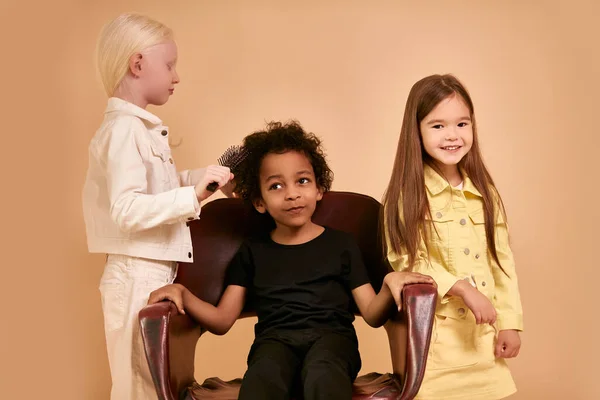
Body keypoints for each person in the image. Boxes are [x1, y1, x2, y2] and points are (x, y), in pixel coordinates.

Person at [149, 121, 433, 399]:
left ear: (319, 188)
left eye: (302, 181)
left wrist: (389, 280)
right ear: (259, 201)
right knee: (261, 383)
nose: (292, 194)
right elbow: (222, 320)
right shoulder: (253, 252)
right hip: (274, 344)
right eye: (275, 186)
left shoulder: (341, 245)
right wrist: (183, 294)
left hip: (333, 342)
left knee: (322, 376)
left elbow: (372, 313)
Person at [82, 13, 233, 400]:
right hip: (135, 276)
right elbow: (127, 209)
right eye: (169, 65)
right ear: (137, 64)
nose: (176, 76)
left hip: (152, 273)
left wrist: (200, 180)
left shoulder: (140, 128)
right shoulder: (123, 130)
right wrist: (193, 196)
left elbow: (156, 188)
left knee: (156, 385)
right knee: (139, 388)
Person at [382, 74, 524, 399]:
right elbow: (406, 261)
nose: (452, 136)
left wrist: (510, 323)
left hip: (483, 341)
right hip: (436, 346)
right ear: (416, 130)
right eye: (438, 126)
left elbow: (501, 260)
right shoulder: (407, 196)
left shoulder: (484, 194)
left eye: (462, 124)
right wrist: (462, 289)